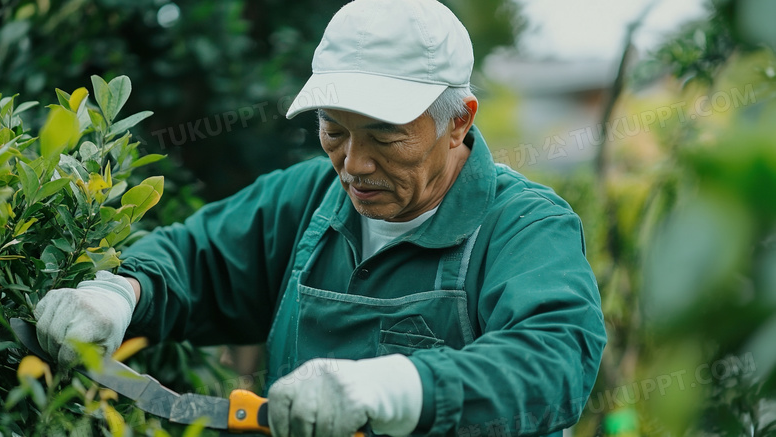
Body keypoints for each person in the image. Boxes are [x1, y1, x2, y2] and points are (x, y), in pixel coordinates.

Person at [34, 0, 607, 435]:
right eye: (334, 130)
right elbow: (197, 256)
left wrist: (396, 388)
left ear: (458, 122)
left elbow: (553, 356)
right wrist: (118, 292)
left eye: (386, 136)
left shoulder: (524, 226)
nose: (354, 164)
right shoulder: (309, 197)